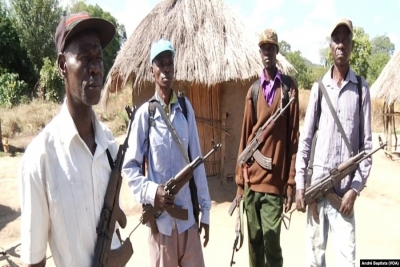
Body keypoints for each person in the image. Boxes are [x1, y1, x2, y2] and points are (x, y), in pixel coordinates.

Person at [19, 12, 120, 267]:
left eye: (98, 57)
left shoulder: (110, 144)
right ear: (63, 65)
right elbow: (34, 261)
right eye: (85, 58)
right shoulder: (40, 157)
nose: (95, 67)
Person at [122, 39, 211, 267]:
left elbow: (197, 162)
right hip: (161, 225)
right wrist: (153, 192)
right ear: (152, 71)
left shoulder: (185, 108)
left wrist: (206, 211)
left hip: (188, 221)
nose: (166, 68)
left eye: (169, 63)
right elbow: (129, 167)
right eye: (161, 64)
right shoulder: (145, 114)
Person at [295, 18, 372, 267]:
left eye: (345, 38)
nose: (341, 44)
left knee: (348, 262)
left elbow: (367, 148)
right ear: (330, 45)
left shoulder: (361, 89)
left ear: (352, 44)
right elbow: (305, 141)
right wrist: (300, 186)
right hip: (317, 194)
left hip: (344, 197)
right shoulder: (319, 88)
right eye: (336, 39)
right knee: (315, 262)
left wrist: (354, 190)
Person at [235, 29, 299, 267]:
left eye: (271, 48)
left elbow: (293, 138)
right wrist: (240, 185)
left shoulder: (289, 89)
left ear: (277, 52)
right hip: (252, 181)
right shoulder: (252, 90)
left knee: (272, 244)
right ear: (260, 53)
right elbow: (244, 137)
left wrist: (290, 182)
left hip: (274, 185)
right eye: (264, 48)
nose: (267, 53)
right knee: (254, 243)